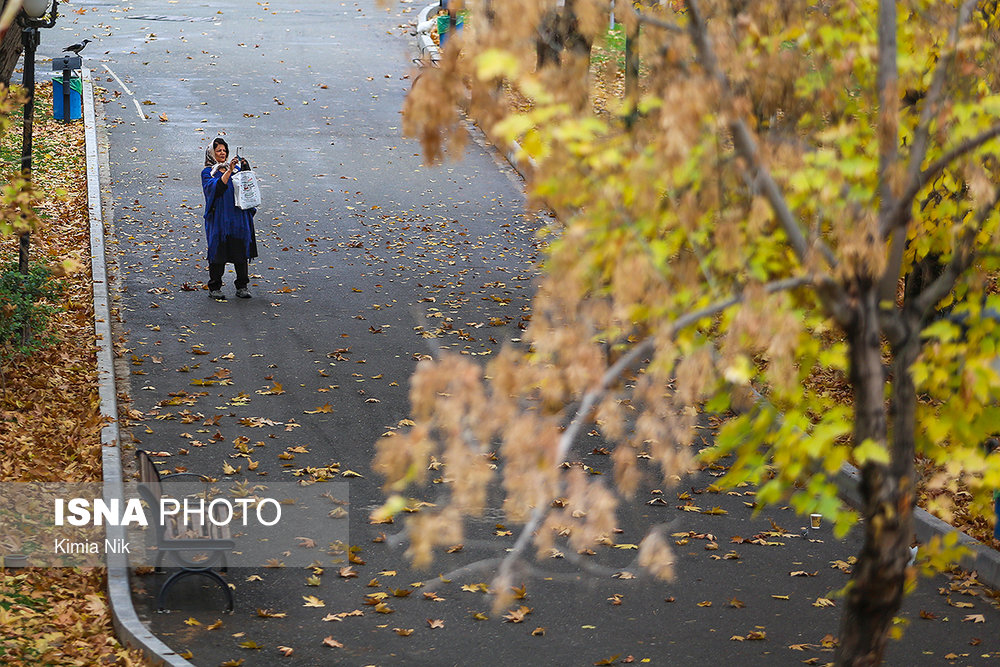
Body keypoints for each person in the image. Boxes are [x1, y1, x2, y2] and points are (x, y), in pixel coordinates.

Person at [202, 137, 257, 300]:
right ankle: (215, 287)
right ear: (212, 153)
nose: (222, 153)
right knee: (218, 250)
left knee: (241, 250)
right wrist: (229, 170)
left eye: (224, 150)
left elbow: (247, 186)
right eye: (218, 150)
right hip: (219, 218)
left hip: (237, 216)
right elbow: (216, 189)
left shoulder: (235, 169)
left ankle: (242, 286)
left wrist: (245, 168)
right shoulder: (207, 172)